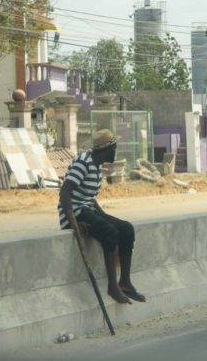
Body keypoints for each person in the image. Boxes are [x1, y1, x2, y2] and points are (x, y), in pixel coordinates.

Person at [58, 129, 145, 304]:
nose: (115, 152)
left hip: (87, 209)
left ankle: (125, 282)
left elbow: (89, 198)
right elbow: (65, 193)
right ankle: (112, 286)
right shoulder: (83, 163)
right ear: (105, 150)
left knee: (126, 229)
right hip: (75, 212)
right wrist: (73, 223)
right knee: (110, 233)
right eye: (114, 149)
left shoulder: (97, 166)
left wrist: (104, 217)